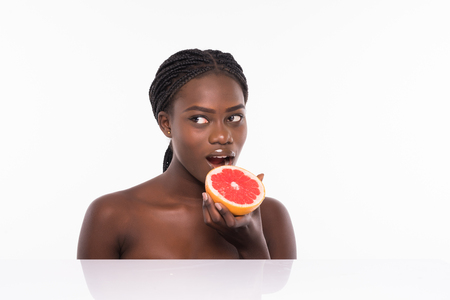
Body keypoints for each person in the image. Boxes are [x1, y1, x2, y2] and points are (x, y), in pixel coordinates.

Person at [77, 49, 297, 259]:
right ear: (166, 124)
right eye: (199, 119)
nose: (222, 136)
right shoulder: (112, 215)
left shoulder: (270, 217)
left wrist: (251, 245)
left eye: (234, 118)